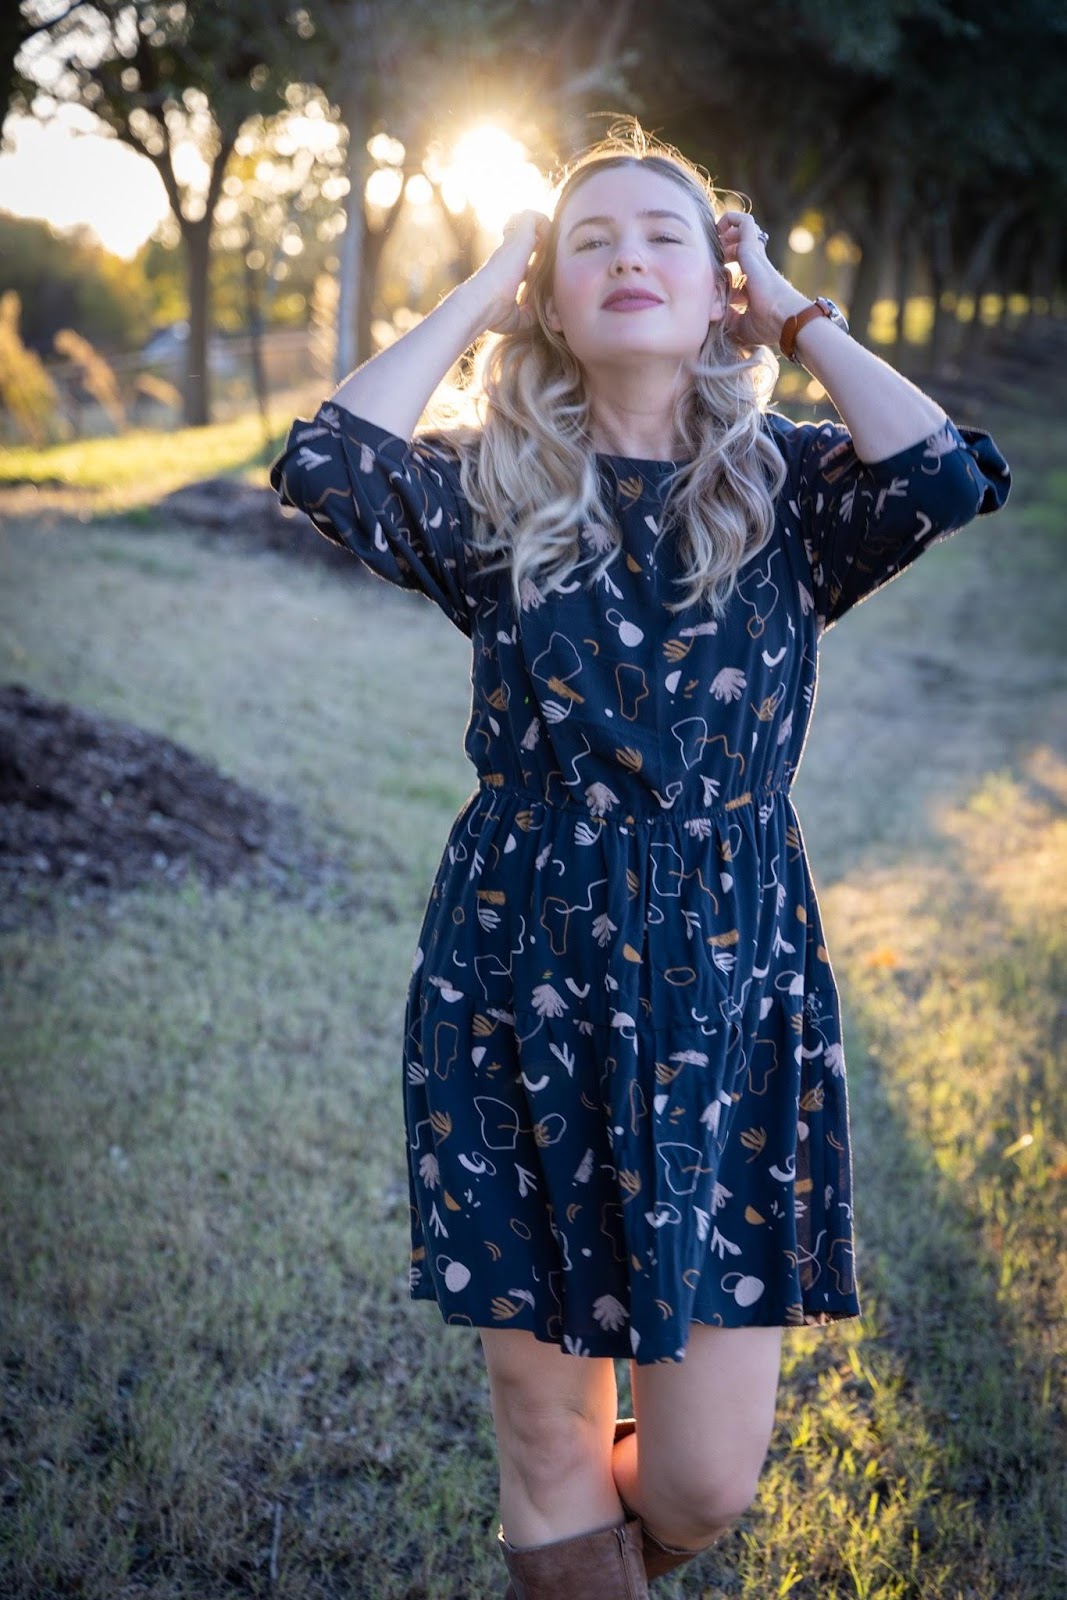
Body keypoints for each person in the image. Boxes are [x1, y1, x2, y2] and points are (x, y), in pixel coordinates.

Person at [271, 123, 1010, 1599]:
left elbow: (943, 472)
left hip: (733, 979)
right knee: (545, 1425)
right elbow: (328, 461)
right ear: (550, 296)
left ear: (716, 283)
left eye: (666, 234)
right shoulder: (496, 491)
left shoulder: (790, 488)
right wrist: (483, 283)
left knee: (703, 1483)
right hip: (519, 958)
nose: (627, 257)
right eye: (587, 241)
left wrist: (791, 311)